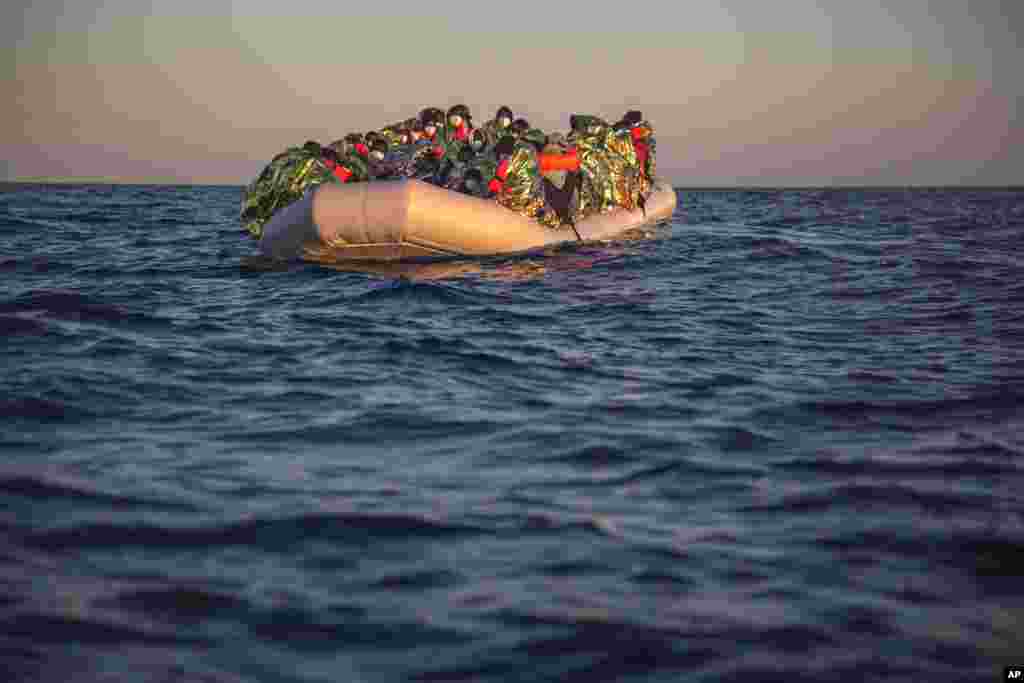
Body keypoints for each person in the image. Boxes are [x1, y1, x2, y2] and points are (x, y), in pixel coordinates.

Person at [241, 141, 353, 240]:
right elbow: (340, 180)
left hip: (267, 204)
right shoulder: (317, 165)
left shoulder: (285, 157)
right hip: (289, 206)